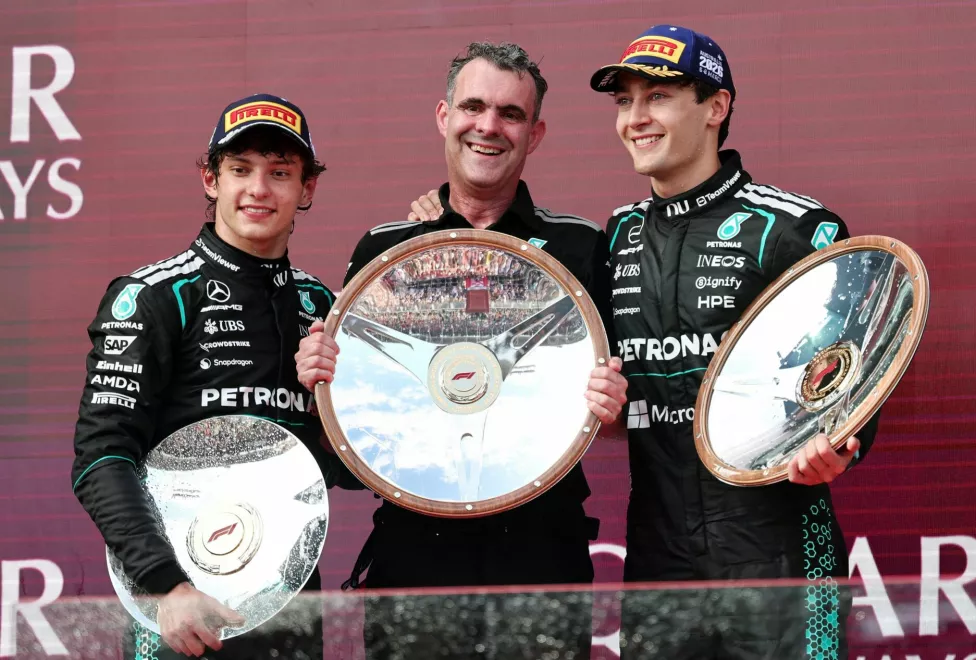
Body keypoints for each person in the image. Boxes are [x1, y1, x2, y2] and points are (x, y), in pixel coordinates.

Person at [294, 41, 628, 659]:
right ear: (444, 116)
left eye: (511, 114)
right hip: (413, 550)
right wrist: (322, 390)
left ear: (536, 133)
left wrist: (614, 408)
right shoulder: (384, 253)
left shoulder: (580, 248)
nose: (489, 127)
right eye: (473, 107)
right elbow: (349, 448)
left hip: (541, 550)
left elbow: (621, 417)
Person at [588, 24, 879, 659]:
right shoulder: (615, 238)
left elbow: (859, 379)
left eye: (658, 97)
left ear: (716, 108)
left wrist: (843, 446)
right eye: (624, 101)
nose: (635, 118)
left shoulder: (798, 229)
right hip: (659, 562)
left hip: (781, 556)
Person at [71, 93, 342, 659]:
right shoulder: (152, 296)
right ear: (210, 179)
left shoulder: (326, 307)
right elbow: (102, 456)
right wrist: (164, 584)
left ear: (307, 188)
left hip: (289, 602)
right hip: (179, 610)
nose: (259, 189)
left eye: (280, 172)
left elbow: (353, 468)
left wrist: (336, 415)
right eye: (240, 170)